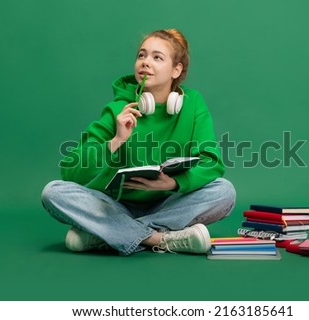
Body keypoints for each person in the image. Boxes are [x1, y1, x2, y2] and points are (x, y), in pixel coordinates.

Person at [41, 29, 236, 256]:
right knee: (53, 192)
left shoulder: (193, 105)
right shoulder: (118, 110)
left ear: (176, 70)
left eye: (157, 57)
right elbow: (70, 171)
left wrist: (173, 184)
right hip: (114, 205)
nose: (145, 62)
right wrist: (116, 140)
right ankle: (159, 239)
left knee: (224, 191)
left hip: (167, 204)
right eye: (141, 55)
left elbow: (212, 162)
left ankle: (107, 234)